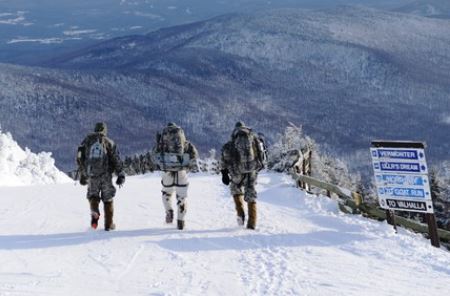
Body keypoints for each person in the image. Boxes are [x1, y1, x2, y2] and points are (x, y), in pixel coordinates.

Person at [76, 122, 125, 231]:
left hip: (92, 175)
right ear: (104, 130)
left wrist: (83, 174)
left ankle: (95, 213)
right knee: (108, 199)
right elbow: (116, 159)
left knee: (93, 196)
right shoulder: (108, 142)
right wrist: (120, 173)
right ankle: (109, 225)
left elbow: (80, 158)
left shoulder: (86, 141)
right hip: (106, 175)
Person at [152, 123, 198, 230]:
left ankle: (169, 211)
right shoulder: (183, 142)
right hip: (181, 171)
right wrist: (188, 165)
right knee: (181, 196)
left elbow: (154, 155)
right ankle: (181, 220)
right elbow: (194, 154)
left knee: (166, 192)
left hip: (167, 171)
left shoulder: (162, 142)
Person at [220, 121, 266, 229]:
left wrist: (224, 173)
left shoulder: (231, 143)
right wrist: (257, 168)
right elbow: (261, 155)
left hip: (237, 172)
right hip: (251, 171)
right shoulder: (254, 139)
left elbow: (225, 157)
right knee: (251, 194)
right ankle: (252, 223)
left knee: (235, 190)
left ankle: (240, 215)